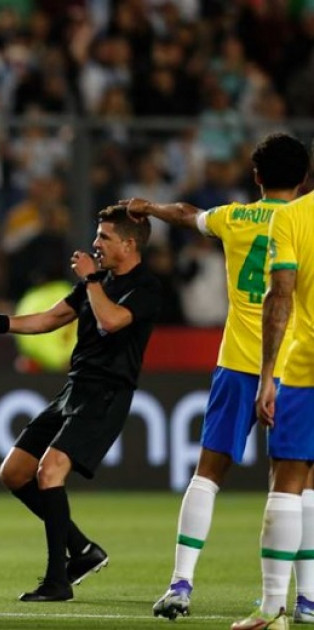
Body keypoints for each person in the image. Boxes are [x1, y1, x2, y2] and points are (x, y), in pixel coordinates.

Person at [118, 132, 311, 621]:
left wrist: (149, 207)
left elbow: (187, 213)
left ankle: (181, 582)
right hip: (297, 367)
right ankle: (305, 597)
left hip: (239, 364)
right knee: (298, 483)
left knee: (208, 475)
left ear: (257, 176)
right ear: (305, 177)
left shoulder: (235, 218)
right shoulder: (304, 222)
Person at [0, 205, 159, 602]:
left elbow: (111, 321)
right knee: (14, 471)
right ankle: (83, 551)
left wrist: (90, 280)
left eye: (104, 236)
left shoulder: (146, 287)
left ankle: (57, 581)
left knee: (49, 471)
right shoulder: (98, 280)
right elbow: (51, 318)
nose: (95, 243)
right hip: (75, 389)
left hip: (107, 393)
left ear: (129, 243)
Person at [232, 175, 314, 630]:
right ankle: (310, 601)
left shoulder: (292, 216)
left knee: (290, 475)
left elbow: (279, 292)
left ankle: (271, 610)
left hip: (306, 367)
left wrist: (268, 375)